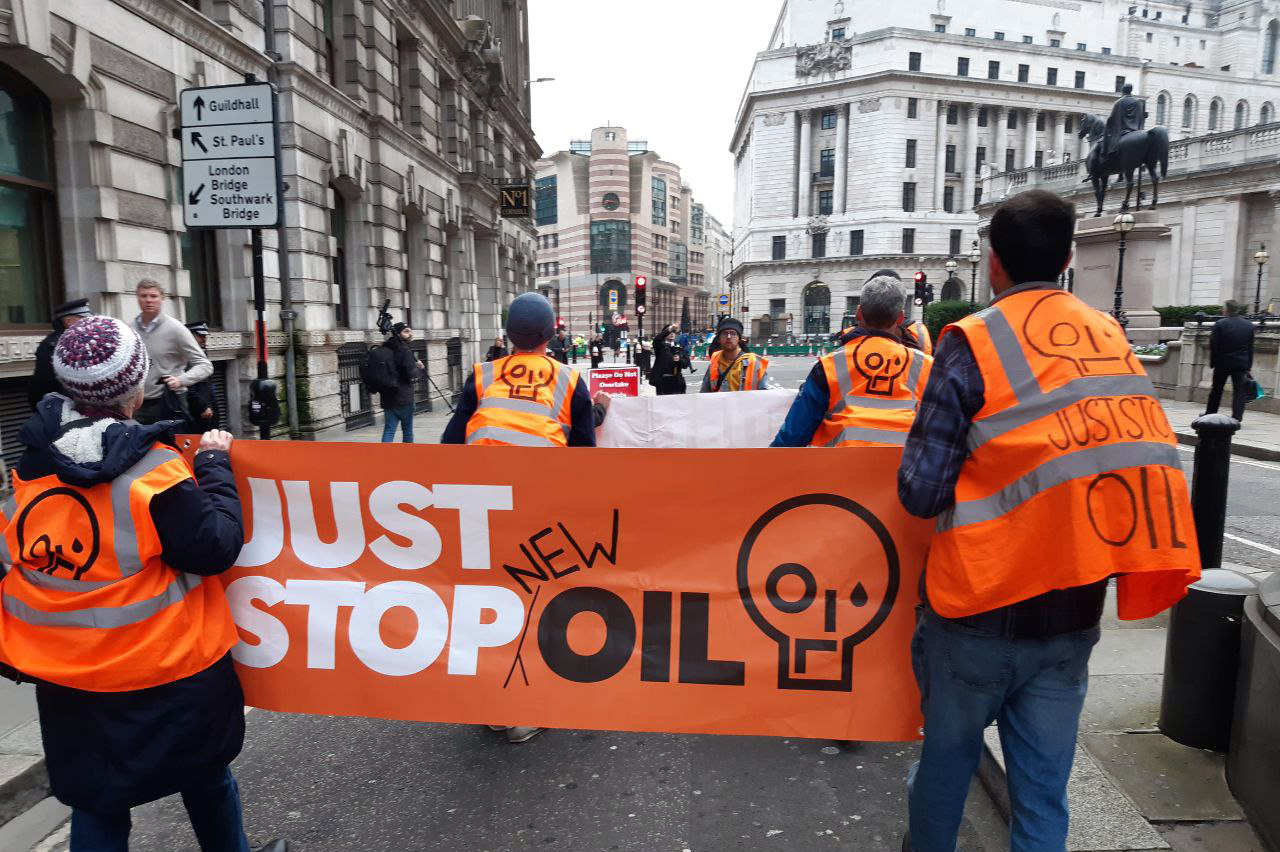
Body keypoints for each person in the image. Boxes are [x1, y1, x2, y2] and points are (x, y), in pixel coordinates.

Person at [896, 190, 1198, 852]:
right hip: (1071, 611)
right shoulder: (1110, 338)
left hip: (976, 610)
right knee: (1041, 794)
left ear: (993, 262)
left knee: (945, 770)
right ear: (1067, 259)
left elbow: (921, 492)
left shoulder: (971, 341)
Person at [0, 316, 287, 852]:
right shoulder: (155, 471)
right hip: (168, 673)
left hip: (71, 683)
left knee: (100, 805)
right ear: (137, 387)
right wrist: (215, 466)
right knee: (205, 779)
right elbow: (215, 547)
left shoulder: (30, 466)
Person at [441, 294, 607, 745]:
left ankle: (494, 705)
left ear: (508, 335)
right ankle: (522, 710)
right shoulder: (570, 380)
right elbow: (584, 457)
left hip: (481, 510)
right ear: (553, 334)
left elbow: (450, 446)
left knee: (490, 605)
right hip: (538, 510)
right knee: (533, 604)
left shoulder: (482, 375)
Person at [771, 277, 931, 446]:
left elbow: (795, 433)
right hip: (905, 468)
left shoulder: (831, 364)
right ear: (900, 318)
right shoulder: (925, 366)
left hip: (840, 467)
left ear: (859, 313)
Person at [131, 280, 212, 425]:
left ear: (162, 298)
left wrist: (181, 380)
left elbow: (205, 365)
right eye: (143, 296)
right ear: (137, 298)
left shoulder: (176, 329)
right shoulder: (130, 328)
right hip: (137, 404)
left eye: (153, 296)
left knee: (170, 446)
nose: (148, 300)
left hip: (169, 401)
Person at [27, 298, 93, 409]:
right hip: (63, 410)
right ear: (68, 321)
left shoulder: (76, 341)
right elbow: (42, 382)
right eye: (84, 319)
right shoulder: (55, 346)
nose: (89, 323)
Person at [1205, 300, 1255, 422]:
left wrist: (1213, 362)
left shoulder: (1220, 324)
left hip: (1223, 363)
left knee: (1217, 389)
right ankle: (1237, 417)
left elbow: (1214, 345)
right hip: (1240, 364)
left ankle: (1210, 413)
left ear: (1226, 310)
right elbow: (1250, 347)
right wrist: (1248, 365)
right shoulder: (1248, 325)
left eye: (1223, 308)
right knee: (1239, 391)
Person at [380, 322, 425, 443]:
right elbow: (411, 373)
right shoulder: (405, 351)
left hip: (387, 397)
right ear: (398, 333)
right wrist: (419, 368)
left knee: (389, 429)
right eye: (406, 331)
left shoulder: (384, 348)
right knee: (407, 430)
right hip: (404, 397)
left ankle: (382, 457)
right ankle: (408, 458)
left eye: (410, 331)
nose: (410, 334)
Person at [701, 317, 773, 392]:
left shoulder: (755, 364)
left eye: (733, 333)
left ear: (739, 338)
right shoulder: (714, 363)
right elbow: (704, 394)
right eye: (725, 333)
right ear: (719, 338)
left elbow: (765, 398)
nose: (729, 337)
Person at [184, 320, 218, 434]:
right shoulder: (187, 357)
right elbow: (187, 387)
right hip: (196, 415)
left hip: (207, 413)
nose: (204, 339)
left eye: (205, 336)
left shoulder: (202, 355)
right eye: (200, 336)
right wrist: (202, 408)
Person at [1101, 83, 1146, 165]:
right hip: (1137, 130)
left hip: (1122, 132)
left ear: (1123, 91)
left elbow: (1112, 119)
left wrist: (1108, 124)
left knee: (1106, 135)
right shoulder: (1138, 103)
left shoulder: (1119, 102)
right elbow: (1141, 118)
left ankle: (1105, 155)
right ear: (1131, 90)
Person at [650, 325, 691, 395]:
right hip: (663, 381)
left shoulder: (679, 347)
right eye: (670, 332)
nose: (672, 334)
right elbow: (657, 339)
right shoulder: (660, 346)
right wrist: (669, 329)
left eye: (674, 332)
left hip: (677, 382)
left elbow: (686, 364)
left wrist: (679, 360)